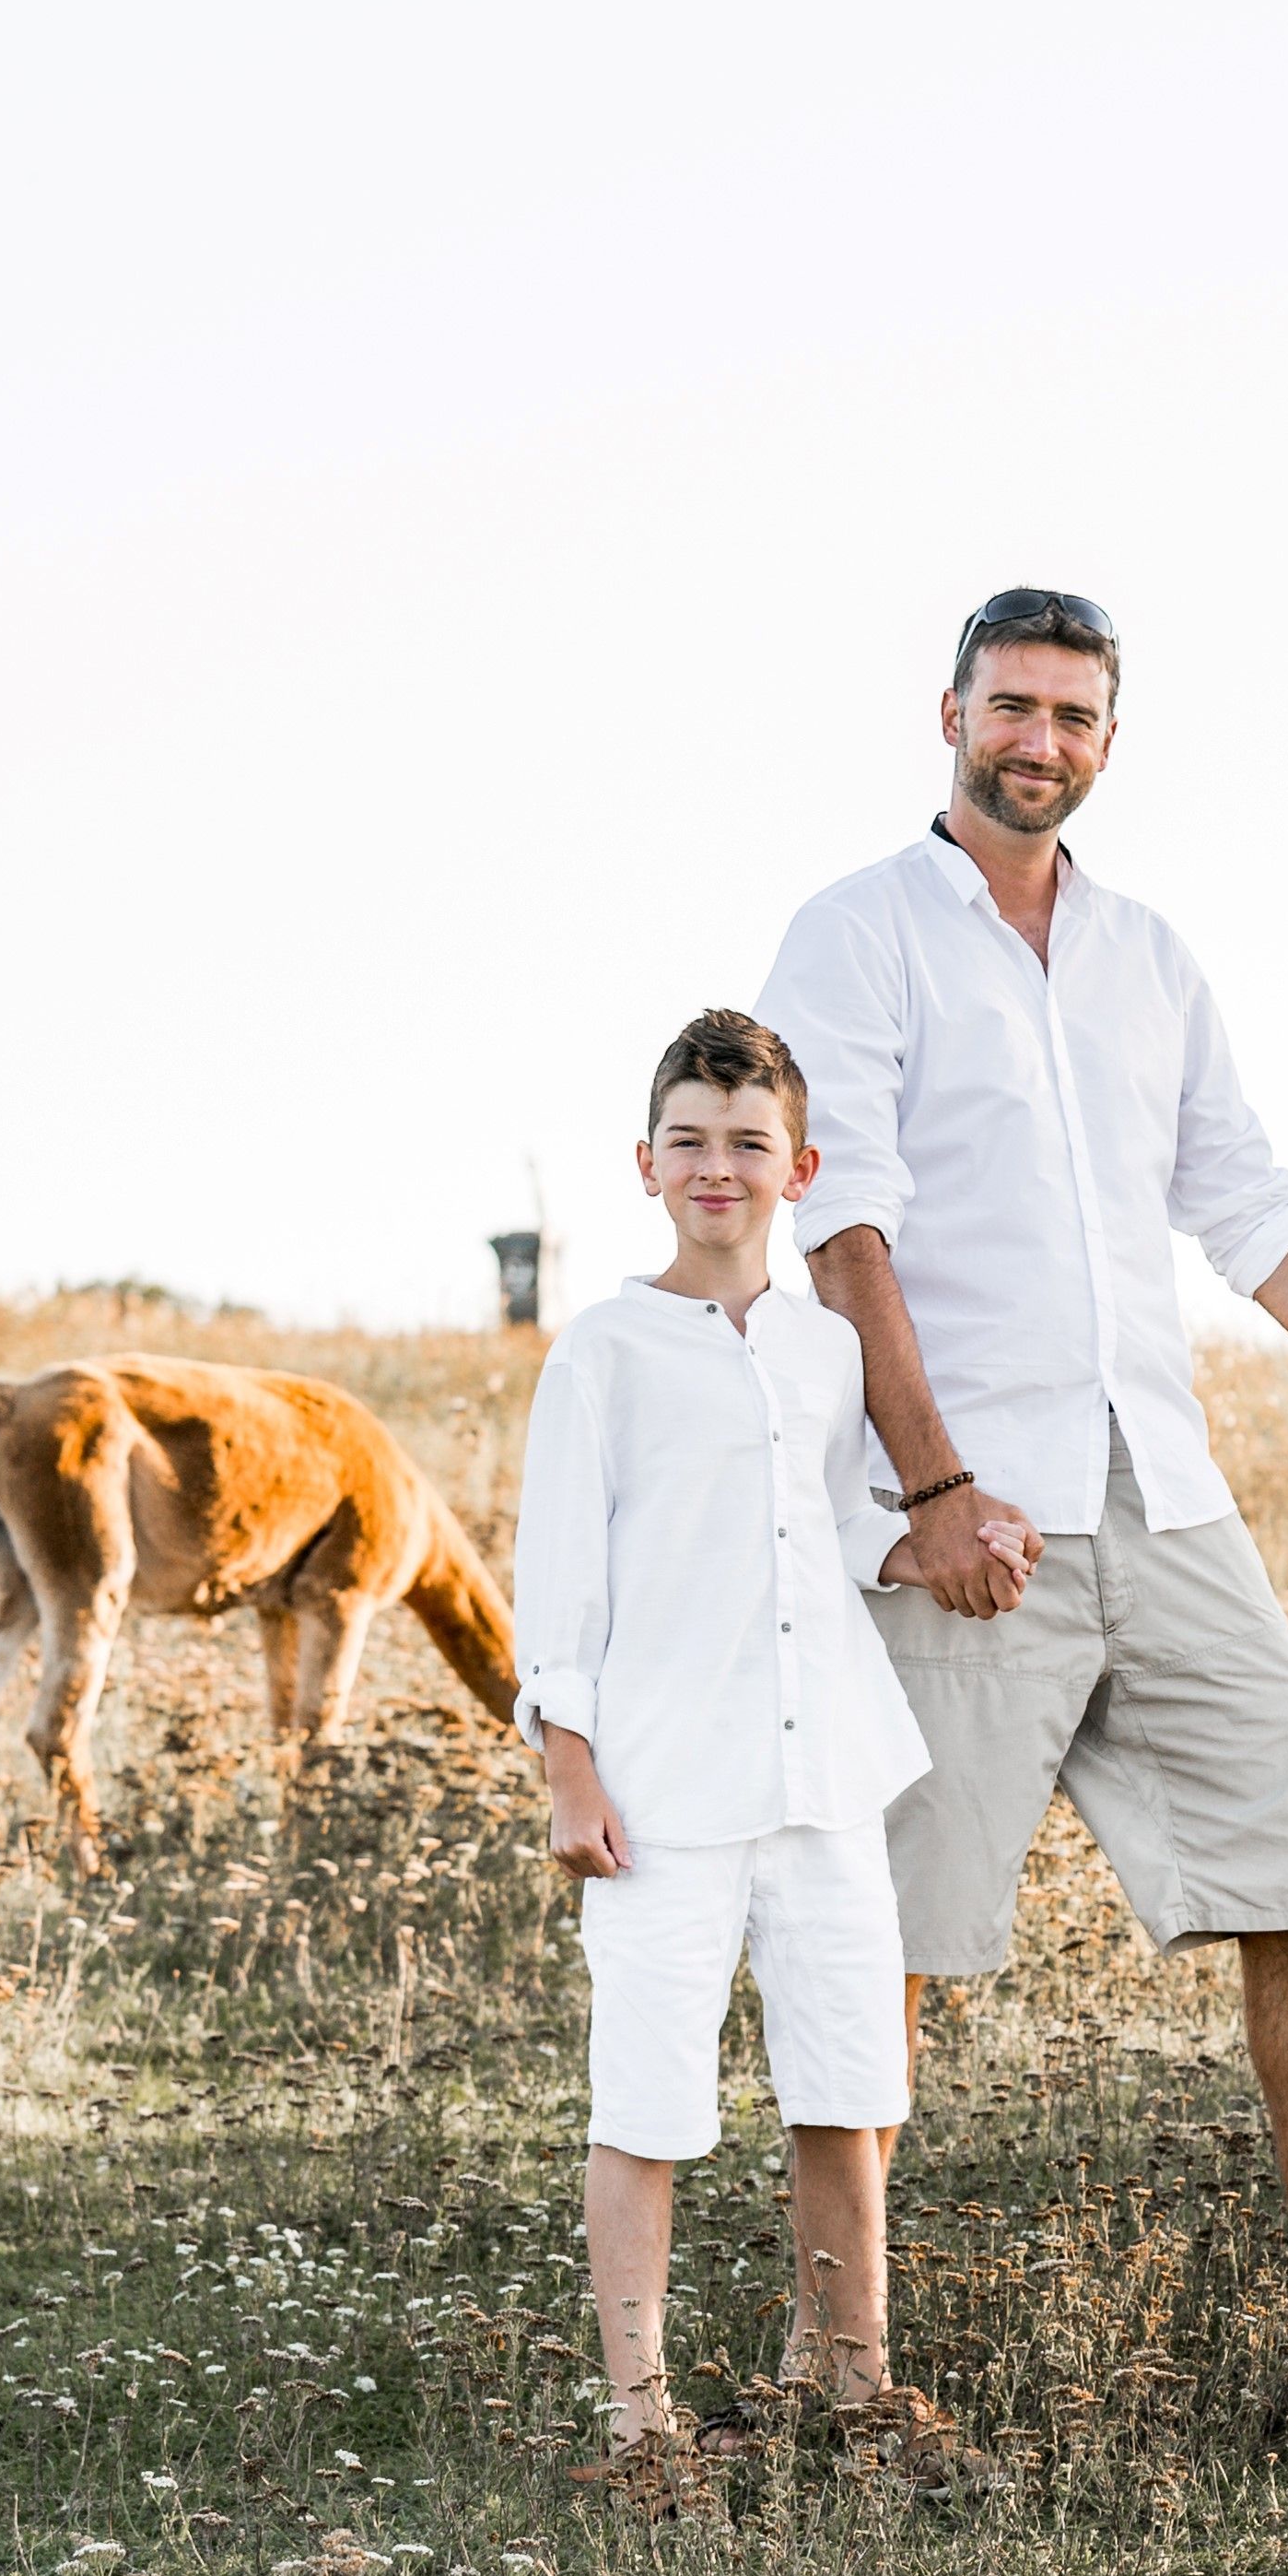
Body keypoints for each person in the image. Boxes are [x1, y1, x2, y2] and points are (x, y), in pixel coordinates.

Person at [756, 587, 1288, 2397]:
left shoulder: (1149, 956)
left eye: (1074, 716)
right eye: (1012, 706)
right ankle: (842, 2370)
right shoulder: (858, 934)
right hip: (971, 1515)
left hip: (1164, 1499)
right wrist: (936, 1481)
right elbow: (843, 1221)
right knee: (884, 1930)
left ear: (1109, 741)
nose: (1039, 740)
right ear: (947, 711)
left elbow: (1250, 1209)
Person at [515, 1007, 932, 2455]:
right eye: (688, 1140)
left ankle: (858, 2391)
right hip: (662, 1792)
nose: (718, 1166)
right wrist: (568, 1763)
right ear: (645, 1162)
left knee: (847, 2089)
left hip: (825, 1780)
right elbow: (559, 1577)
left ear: (797, 1164)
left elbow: (821, 1528)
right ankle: (644, 2421)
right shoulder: (606, 1351)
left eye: (747, 1143)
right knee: (646, 2102)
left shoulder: (825, 1352)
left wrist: (935, 1545)